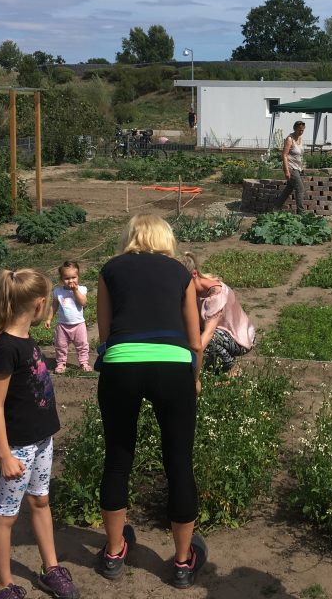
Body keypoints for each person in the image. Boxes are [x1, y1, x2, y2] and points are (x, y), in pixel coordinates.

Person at [95, 215, 207, 589]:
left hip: (122, 363)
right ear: (165, 238)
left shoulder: (109, 270)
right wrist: (194, 378)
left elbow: (105, 333)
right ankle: (181, 562)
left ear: (130, 237)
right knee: (178, 460)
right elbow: (194, 341)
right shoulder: (180, 273)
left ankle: (113, 553)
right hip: (172, 365)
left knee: (117, 458)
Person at [0, 268, 78, 599]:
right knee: (6, 516)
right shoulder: (5, 348)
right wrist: (5, 455)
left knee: (41, 501)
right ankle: (4, 586)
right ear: (40, 304)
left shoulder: (26, 340)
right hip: (19, 448)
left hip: (42, 440)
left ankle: (51, 569)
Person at [181, 252, 256, 374]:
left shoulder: (216, 294)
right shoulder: (191, 292)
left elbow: (209, 333)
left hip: (238, 338)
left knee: (209, 341)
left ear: (194, 274)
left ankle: (232, 369)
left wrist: (192, 359)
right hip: (215, 332)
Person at [45, 260, 90, 373]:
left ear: (78, 277)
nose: (70, 281)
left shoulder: (81, 289)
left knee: (82, 345)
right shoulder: (58, 291)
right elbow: (54, 306)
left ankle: (84, 362)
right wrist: (49, 318)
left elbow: (83, 302)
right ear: (61, 279)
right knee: (60, 345)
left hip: (79, 324)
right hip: (62, 325)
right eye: (66, 278)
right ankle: (61, 363)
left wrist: (75, 291)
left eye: (73, 277)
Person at [274, 120, 307, 214]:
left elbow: (299, 155)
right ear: (295, 129)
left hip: (298, 168)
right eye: (299, 130)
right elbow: (284, 155)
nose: (301, 132)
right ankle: (301, 213)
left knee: (288, 189)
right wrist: (286, 171)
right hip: (291, 168)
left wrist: (302, 167)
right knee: (300, 189)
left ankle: (276, 208)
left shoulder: (300, 139)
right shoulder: (289, 139)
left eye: (302, 130)